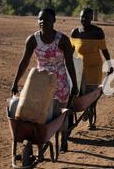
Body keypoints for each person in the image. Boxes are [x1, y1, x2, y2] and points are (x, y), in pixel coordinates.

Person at [11, 8, 78, 153]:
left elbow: (70, 64)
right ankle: (41, 141)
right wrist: (15, 81)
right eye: (40, 19)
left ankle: (64, 137)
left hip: (60, 82)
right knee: (39, 114)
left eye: (47, 19)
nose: (43, 22)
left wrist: (74, 85)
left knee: (60, 114)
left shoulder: (62, 40)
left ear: (54, 21)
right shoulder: (33, 40)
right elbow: (24, 61)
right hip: (40, 82)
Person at [70, 7, 113, 130]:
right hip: (79, 69)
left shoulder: (98, 32)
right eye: (82, 16)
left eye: (87, 17)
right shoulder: (75, 33)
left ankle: (91, 120)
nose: (84, 19)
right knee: (80, 94)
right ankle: (85, 111)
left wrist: (109, 64)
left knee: (92, 96)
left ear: (92, 18)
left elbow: (104, 50)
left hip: (94, 68)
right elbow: (71, 51)